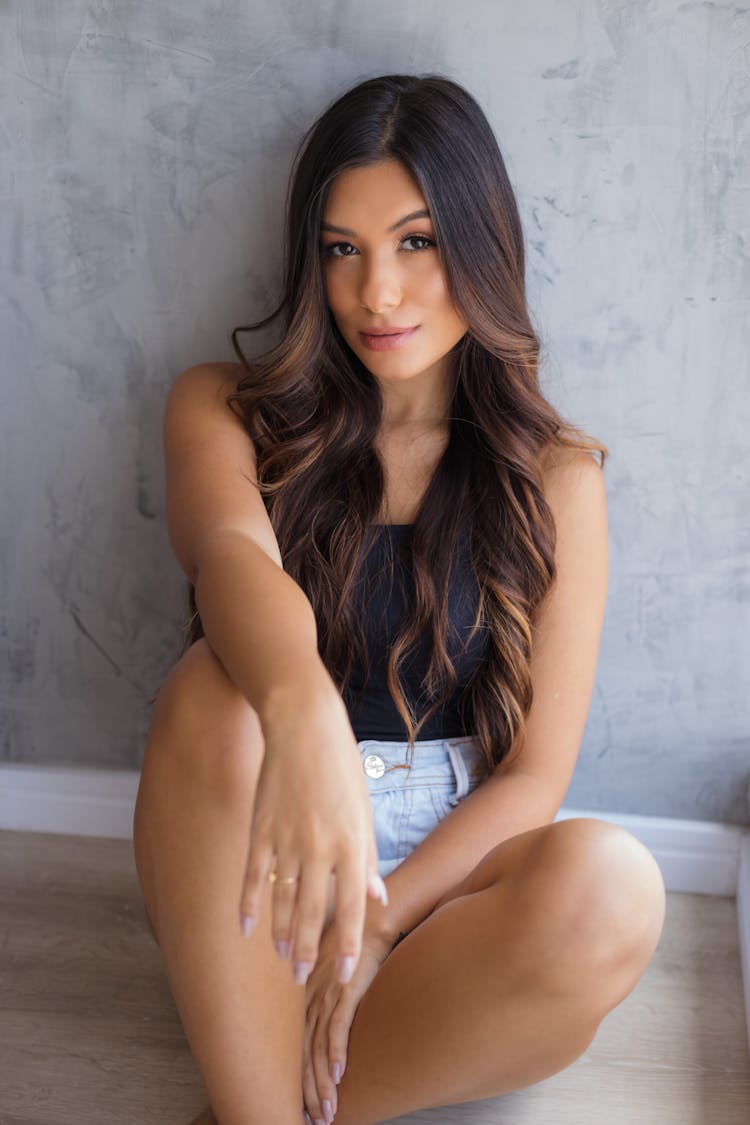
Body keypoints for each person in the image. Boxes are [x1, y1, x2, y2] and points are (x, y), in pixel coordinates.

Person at [133, 73, 666, 1125]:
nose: (377, 292)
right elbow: (229, 553)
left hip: (449, 880)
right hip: (261, 855)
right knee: (212, 690)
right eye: (343, 249)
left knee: (615, 884)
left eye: (417, 242)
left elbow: (534, 778)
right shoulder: (222, 410)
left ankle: (268, 1102)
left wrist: (384, 922)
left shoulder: (556, 476)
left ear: (480, 242)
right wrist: (305, 718)